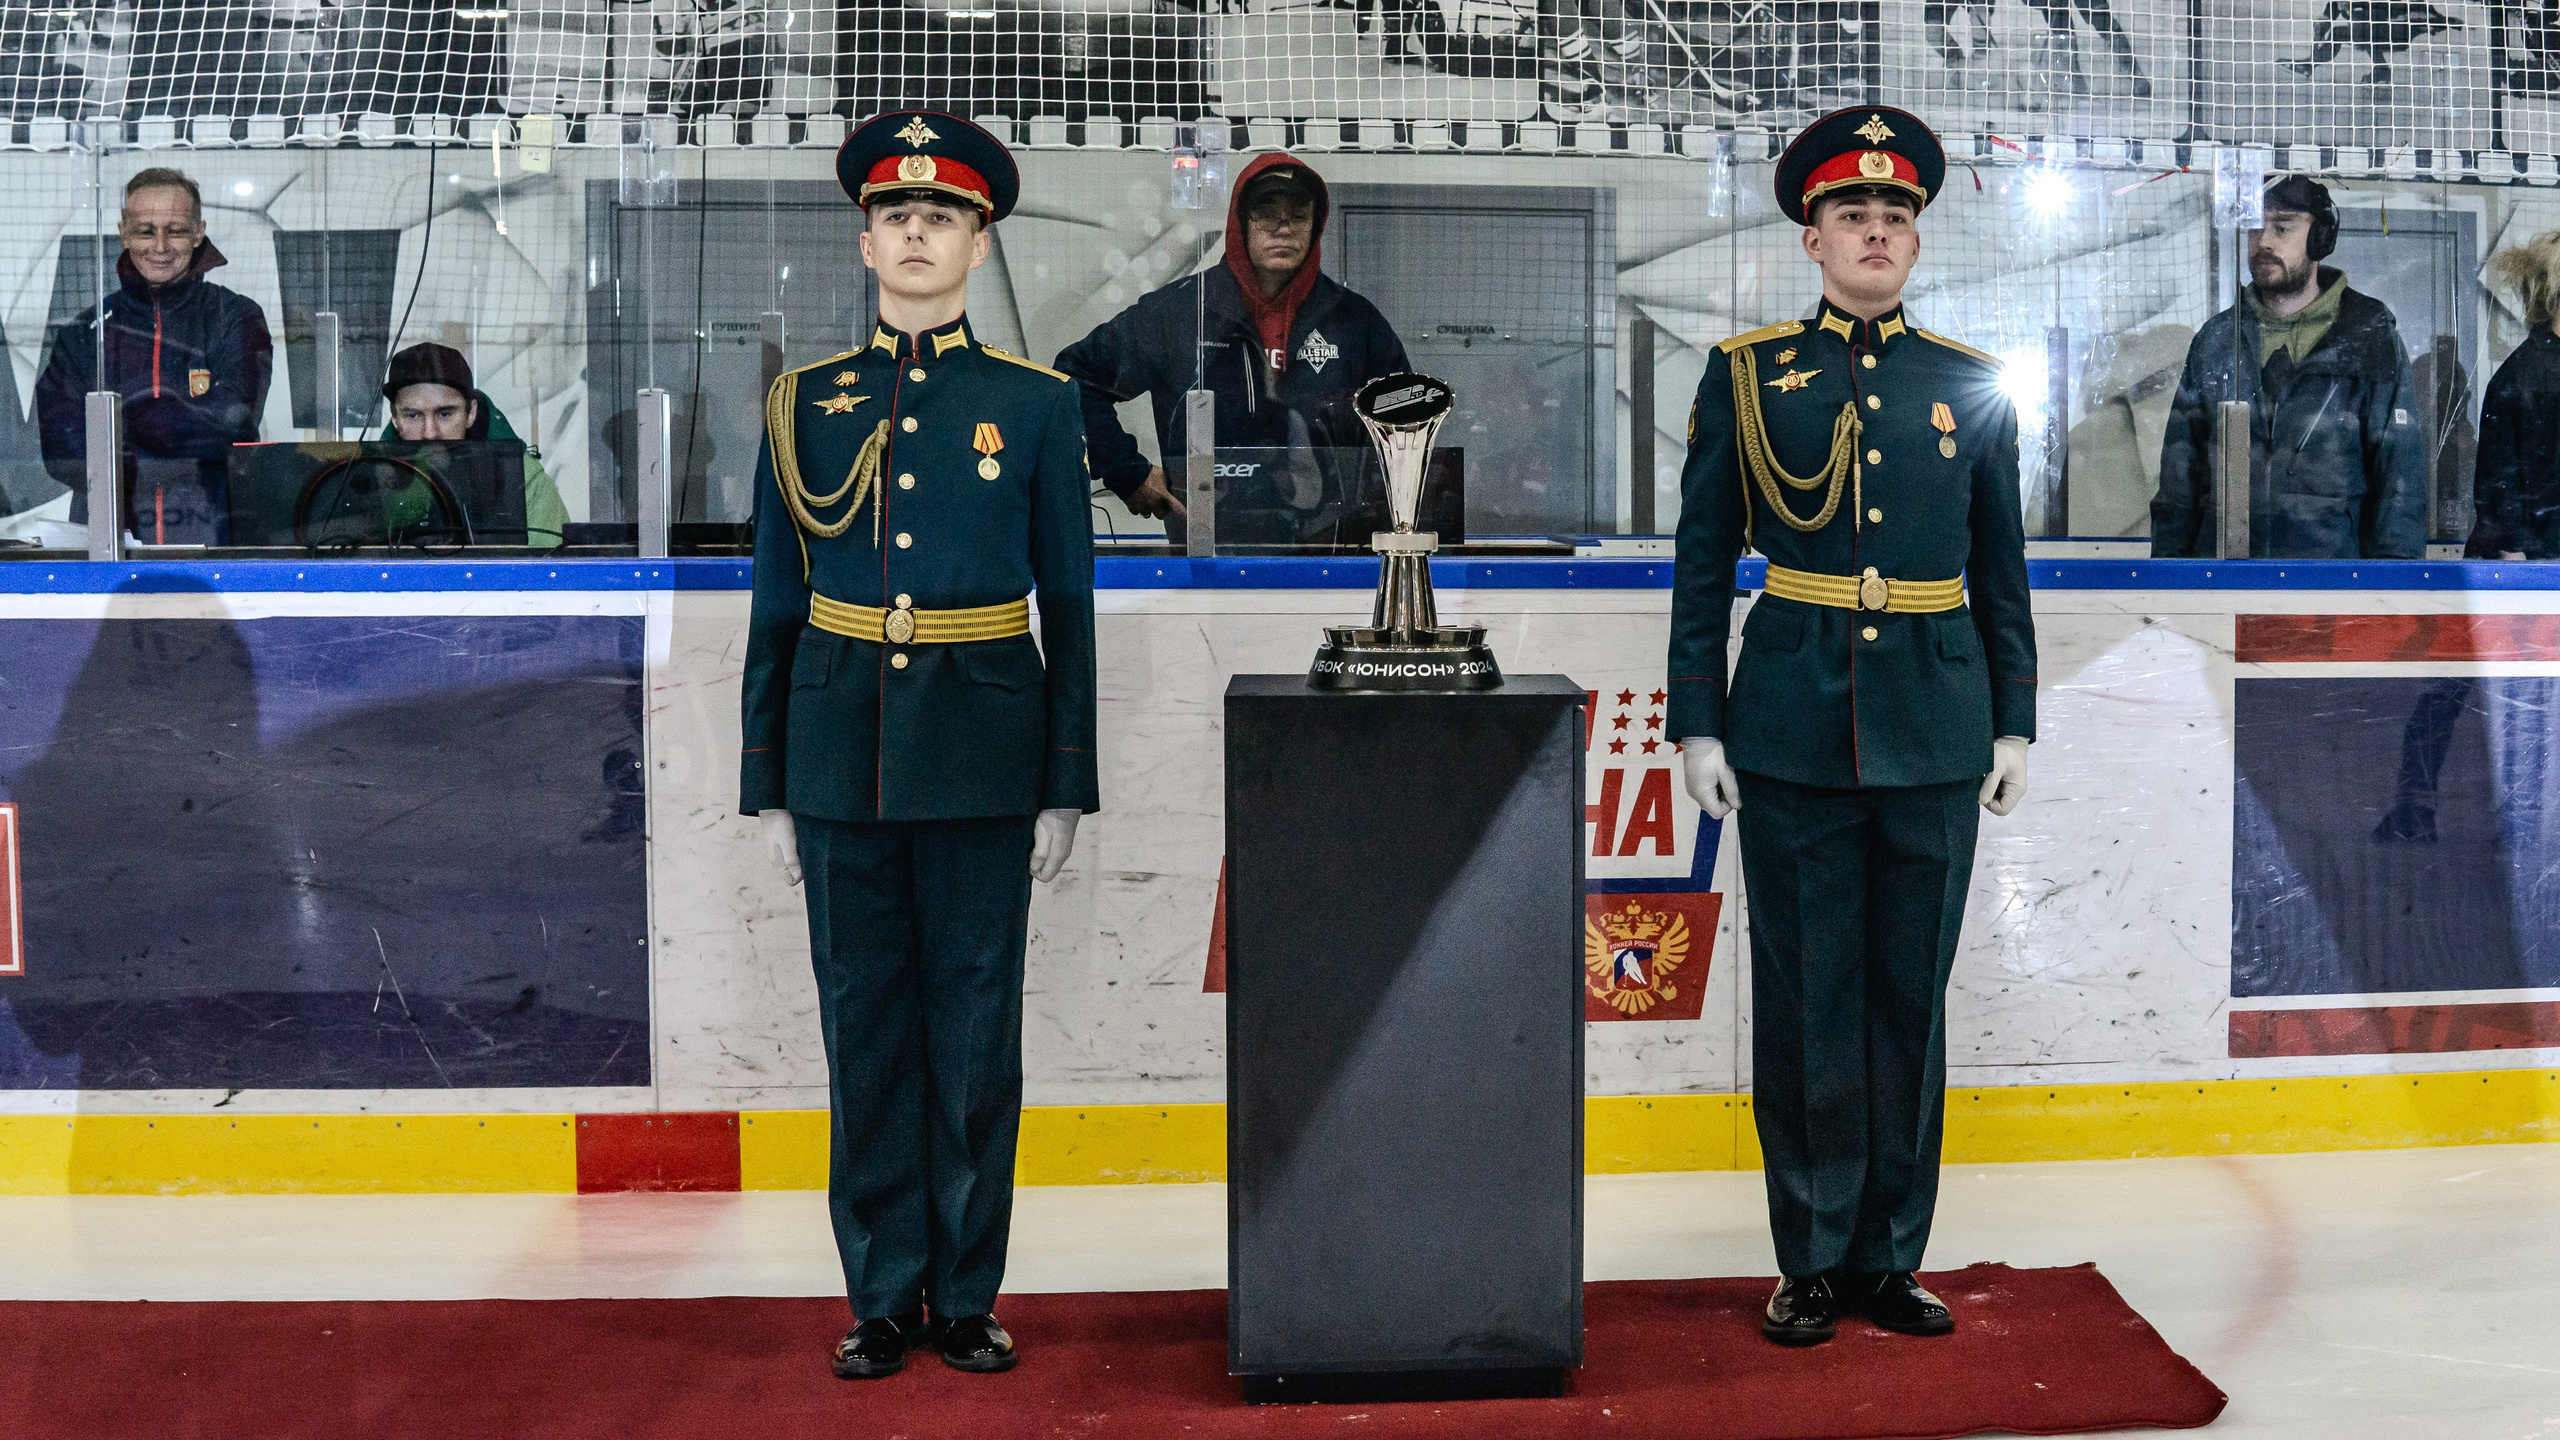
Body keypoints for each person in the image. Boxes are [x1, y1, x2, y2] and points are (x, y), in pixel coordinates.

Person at [1667, 106, 2036, 1346]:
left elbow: (2001, 574)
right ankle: (1810, 1260)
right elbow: (1703, 563)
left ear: (1915, 243)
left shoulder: (1968, 385)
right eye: (1851, 217)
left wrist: (2014, 723)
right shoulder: (1747, 375)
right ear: (1810, 240)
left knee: (1904, 1003)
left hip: (1936, 727)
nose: (1875, 234)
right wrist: (1697, 725)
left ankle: (1889, 1258)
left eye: (1895, 219)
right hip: (1789, 726)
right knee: (1808, 998)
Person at [738, 110, 1098, 1382]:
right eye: (895, 215)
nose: (915, 232)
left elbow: (1070, 604)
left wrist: (1066, 784)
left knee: (975, 1030)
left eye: (940, 216)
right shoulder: (802, 403)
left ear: (977, 240)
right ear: (864, 241)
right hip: (841, 754)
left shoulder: (1039, 407)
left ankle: (968, 1290)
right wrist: (768, 776)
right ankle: (882, 1295)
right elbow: (778, 602)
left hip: (986, 753)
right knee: (867, 1031)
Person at [1055, 153, 1408, 544]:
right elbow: (1072, 376)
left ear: (1316, 224)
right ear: (1241, 222)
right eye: (1267, 213)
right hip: (1208, 550)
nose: (1284, 228)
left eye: (1298, 215)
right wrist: (1127, 470)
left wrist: (1378, 517)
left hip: (1332, 552)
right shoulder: (1181, 311)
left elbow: (1404, 422)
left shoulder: (1355, 321)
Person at [2151, 174, 2427, 559]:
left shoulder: (2368, 335)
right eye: (2253, 229)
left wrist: (2391, 595)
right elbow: (2179, 484)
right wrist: (2169, 589)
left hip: (2331, 591)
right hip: (2222, 587)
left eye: (2282, 227)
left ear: (2320, 239)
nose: (2263, 242)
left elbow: (2401, 485)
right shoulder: (2216, 340)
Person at [36, 165, 273, 545]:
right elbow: (61, 448)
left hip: (215, 530)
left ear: (199, 232)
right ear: (124, 233)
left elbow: (233, 423)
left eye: (175, 229)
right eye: (146, 230)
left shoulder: (237, 317)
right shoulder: (85, 332)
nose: (160, 246)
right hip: (109, 536)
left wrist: (123, 433)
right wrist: (165, 434)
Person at [376, 342, 569, 548]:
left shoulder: (523, 478)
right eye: (413, 415)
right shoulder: (367, 476)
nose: (430, 432)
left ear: (471, 413)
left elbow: (552, 572)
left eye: (445, 414)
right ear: (395, 419)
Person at [2469, 229, 2560, 559]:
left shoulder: (2526, 369)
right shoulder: (2529, 374)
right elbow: (2501, 484)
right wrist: (2513, 554)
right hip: (2538, 577)